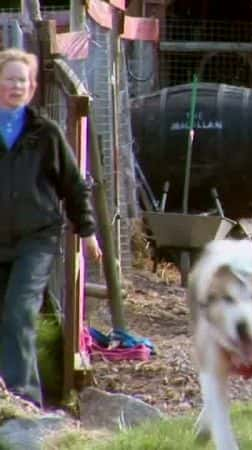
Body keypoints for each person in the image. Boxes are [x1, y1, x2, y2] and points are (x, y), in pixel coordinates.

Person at [0, 48, 102, 407]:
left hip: (36, 238)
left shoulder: (47, 134)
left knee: (18, 311)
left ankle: (20, 402)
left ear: (32, 88)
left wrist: (87, 231)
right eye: (10, 78)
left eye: (23, 80)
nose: (16, 86)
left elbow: (73, 185)